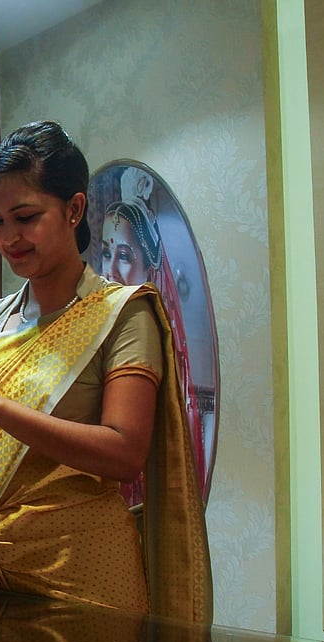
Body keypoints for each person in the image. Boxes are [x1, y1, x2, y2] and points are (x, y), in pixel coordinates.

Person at [0, 121, 210, 623]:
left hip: (79, 581)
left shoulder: (123, 314)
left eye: (25, 217)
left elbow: (126, 453)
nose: (7, 238)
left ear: (74, 210)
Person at [99, 167, 207, 491]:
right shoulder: (91, 325)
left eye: (124, 255)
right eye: (106, 253)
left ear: (150, 266)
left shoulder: (150, 335)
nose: (111, 270)